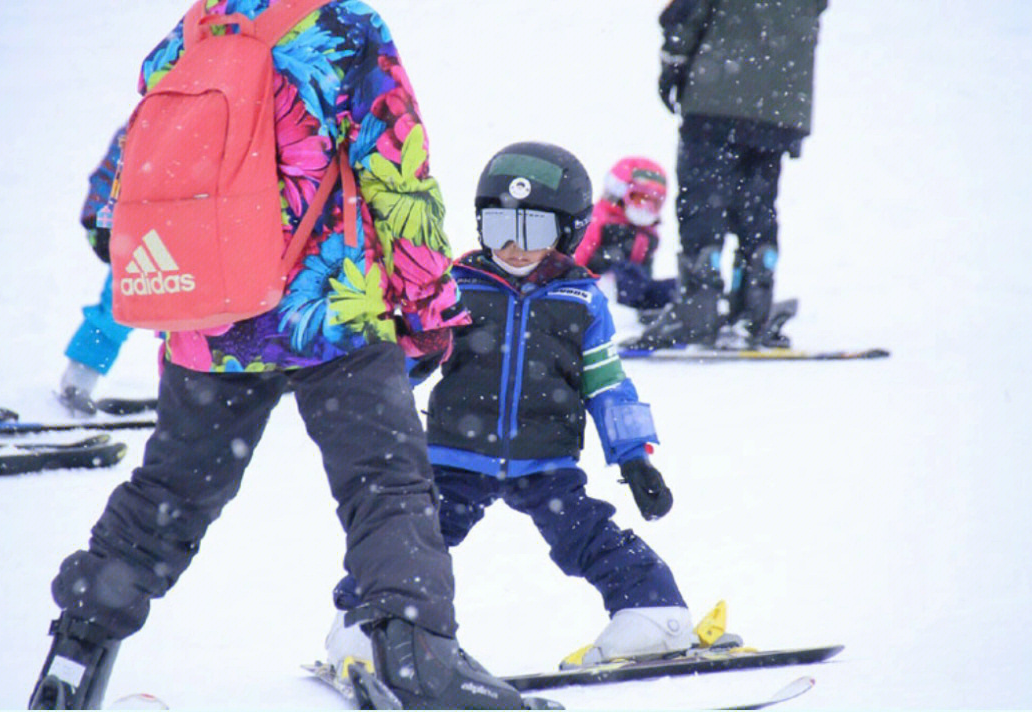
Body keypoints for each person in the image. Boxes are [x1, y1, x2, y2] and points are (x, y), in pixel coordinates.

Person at [29, 2, 526, 710]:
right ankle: (421, 664)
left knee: (169, 493)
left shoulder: (189, 34)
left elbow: (125, 190)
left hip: (208, 317)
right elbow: (398, 174)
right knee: (385, 486)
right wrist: (429, 306)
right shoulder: (343, 27)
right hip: (331, 310)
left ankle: (76, 649)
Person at [325, 142, 696, 676]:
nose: (514, 245)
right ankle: (362, 620)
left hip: (545, 462)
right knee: (409, 538)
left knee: (588, 538)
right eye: (500, 224)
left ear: (567, 232)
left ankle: (653, 612)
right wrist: (362, 395)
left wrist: (635, 457)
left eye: (535, 231)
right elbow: (408, 357)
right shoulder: (454, 287)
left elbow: (609, 384)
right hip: (456, 455)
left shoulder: (581, 301)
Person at [629, 0, 827, 350]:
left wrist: (673, 66)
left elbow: (683, 14)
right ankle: (753, 304)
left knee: (703, 198)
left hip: (718, 94)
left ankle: (697, 307)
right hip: (782, 100)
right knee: (758, 200)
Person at [57, 126, 134, 416]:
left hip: (198, 235)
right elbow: (111, 172)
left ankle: (190, 389)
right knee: (118, 307)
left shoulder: (218, 114)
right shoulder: (148, 118)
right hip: (142, 232)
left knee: (193, 320)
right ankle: (78, 379)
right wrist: (98, 218)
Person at [572, 156, 677, 322]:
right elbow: (575, 262)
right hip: (595, 291)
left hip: (633, 296)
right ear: (618, 193)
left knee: (676, 287)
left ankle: (684, 306)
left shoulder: (648, 235)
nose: (646, 209)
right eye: (639, 199)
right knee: (624, 271)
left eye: (654, 203)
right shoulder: (597, 222)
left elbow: (644, 277)